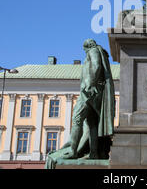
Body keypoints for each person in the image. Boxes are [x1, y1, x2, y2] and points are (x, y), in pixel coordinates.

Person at [45, 39, 114, 168]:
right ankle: (94, 152)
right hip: (96, 93)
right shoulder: (100, 52)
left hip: (89, 93)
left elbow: (96, 65)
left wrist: (89, 85)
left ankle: (72, 150)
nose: (84, 51)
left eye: (84, 49)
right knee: (92, 123)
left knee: (77, 118)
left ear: (87, 46)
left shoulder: (93, 51)